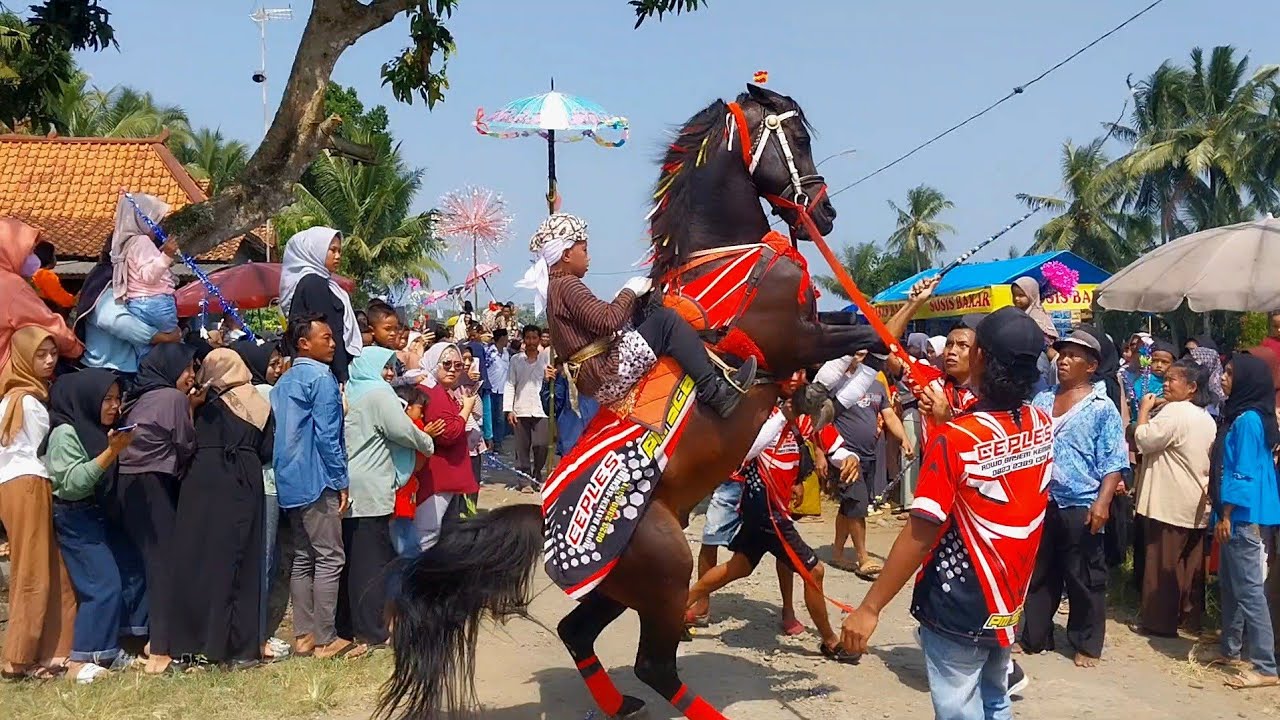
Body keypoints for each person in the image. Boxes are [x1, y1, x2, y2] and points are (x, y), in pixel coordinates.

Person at [841, 307, 1053, 720]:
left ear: (980, 359)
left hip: (962, 598)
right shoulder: (1040, 423)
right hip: (1009, 596)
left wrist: (869, 608)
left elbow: (921, 532)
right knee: (995, 697)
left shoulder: (957, 439)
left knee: (958, 707)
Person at [519, 213, 756, 419]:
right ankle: (715, 392)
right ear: (567, 254)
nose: (589, 257)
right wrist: (629, 291)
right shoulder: (567, 285)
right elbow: (607, 321)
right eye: (584, 249)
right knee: (666, 322)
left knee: (646, 309)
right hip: (605, 372)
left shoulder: (556, 287)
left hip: (593, 376)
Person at [688, 400, 858, 662]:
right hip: (765, 510)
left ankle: (675, 608)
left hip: (769, 511)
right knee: (814, 571)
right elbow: (744, 452)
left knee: (739, 567)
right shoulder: (763, 418)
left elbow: (833, 444)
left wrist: (849, 458)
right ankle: (831, 641)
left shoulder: (802, 418)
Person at [1023, 330, 1129, 668]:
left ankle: (1086, 642)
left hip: (1081, 502)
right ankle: (1035, 635)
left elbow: (1113, 461)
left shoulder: (1102, 408)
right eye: (1062, 354)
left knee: (1084, 574)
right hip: (1042, 500)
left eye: (1073, 356)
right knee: (1040, 572)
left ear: (1092, 366)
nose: (1064, 360)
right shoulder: (1042, 401)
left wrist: (1102, 502)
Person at [168, 349, 273, 669]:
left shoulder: (202, 401)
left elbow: (181, 437)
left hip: (203, 480)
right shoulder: (259, 401)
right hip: (245, 479)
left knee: (197, 560)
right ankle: (241, 650)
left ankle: (193, 644)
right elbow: (267, 449)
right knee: (241, 561)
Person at [45, 369, 147, 682]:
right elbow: (73, 484)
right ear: (87, 399)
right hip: (75, 516)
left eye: (118, 399)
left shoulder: (96, 428)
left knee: (131, 570)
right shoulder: (65, 434)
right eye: (107, 399)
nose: (115, 406)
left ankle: (113, 648)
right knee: (102, 584)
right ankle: (82, 660)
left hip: (99, 514)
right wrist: (111, 452)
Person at [338, 347, 438, 653]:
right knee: (373, 564)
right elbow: (403, 430)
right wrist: (428, 442)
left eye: (392, 367)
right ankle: (372, 631)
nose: (390, 373)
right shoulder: (379, 395)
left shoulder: (352, 391)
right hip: (372, 489)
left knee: (353, 561)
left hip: (352, 485)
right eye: (385, 367)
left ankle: (348, 626)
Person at [271, 313, 352, 659]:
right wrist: (341, 480)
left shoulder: (284, 381)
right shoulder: (321, 378)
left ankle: (304, 635)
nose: (333, 344)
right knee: (330, 557)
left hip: (289, 478)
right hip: (317, 478)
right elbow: (328, 436)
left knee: (303, 558)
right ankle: (325, 638)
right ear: (304, 343)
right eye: (326, 338)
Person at [116, 342, 200, 674]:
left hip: (129, 485)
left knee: (153, 564)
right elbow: (185, 444)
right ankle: (161, 652)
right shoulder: (173, 399)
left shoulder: (140, 398)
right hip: (153, 484)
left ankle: (155, 640)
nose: (192, 377)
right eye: (188, 369)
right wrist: (192, 410)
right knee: (164, 565)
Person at [0, 327, 77, 680]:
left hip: (17, 484)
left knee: (48, 567)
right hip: (28, 482)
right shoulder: (27, 399)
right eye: (40, 355)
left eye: (52, 354)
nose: (48, 361)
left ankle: (50, 651)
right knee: (34, 570)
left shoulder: (13, 396)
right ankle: (18, 657)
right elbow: (33, 451)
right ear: (22, 357)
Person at [1131, 358, 1216, 638]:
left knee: (1162, 563)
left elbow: (1144, 439)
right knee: (1189, 565)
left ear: (1191, 387)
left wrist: (1143, 411)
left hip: (1169, 500)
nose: (1165, 384)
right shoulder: (1205, 416)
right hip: (1195, 499)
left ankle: (1158, 622)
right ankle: (1189, 619)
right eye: (1165, 379)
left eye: (1172, 380)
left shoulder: (1174, 412)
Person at [1211, 353, 1280, 689]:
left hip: (1240, 515)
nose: (1223, 377)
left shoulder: (1248, 421)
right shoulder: (1248, 416)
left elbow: (1243, 472)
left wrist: (1226, 512)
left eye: (1229, 373)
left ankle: (1266, 665)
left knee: (1250, 590)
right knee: (1232, 583)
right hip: (1242, 513)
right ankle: (1231, 648)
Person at [827, 350, 913, 579]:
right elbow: (821, 419)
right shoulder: (834, 384)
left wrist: (904, 438)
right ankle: (863, 556)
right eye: (853, 351)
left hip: (869, 454)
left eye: (861, 352)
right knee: (857, 503)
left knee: (849, 505)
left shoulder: (876, 384)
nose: (858, 355)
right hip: (844, 455)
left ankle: (837, 552)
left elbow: (889, 415)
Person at [232, 339, 291, 661]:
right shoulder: (266, 394)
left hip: (259, 484)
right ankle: (258, 635)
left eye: (279, 361)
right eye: (271, 363)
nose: (278, 367)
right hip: (268, 485)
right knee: (265, 561)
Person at [74, 245, 181, 380]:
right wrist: (162, 337)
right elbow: (117, 321)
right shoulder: (106, 285)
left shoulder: (121, 284)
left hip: (119, 368)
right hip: (109, 369)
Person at [412, 343, 476, 551]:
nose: (452, 369)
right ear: (433, 363)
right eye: (446, 363)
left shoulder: (441, 390)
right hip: (436, 474)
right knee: (427, 532)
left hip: (442, 474)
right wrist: (465, 410)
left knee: (437, 532)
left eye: (458, 365)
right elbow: (448, 433)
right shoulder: (431, 391)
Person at [279, 228, 362, 383]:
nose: (337, 256)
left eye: (339, 251)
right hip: (326, 373)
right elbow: (327, 332)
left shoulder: (321, 282)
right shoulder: (314, 284)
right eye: (332, 250)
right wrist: (342, 378)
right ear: (314, 251)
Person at [0, 218, 83, 370]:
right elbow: (49, 324)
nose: (32, 256)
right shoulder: (12, 286)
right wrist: (76, 348)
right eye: (29, 251)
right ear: (11, 250)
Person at [109, 193, 180, 334]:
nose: (158, 227)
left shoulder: (126, 243)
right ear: (142, 220)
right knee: (173, 343)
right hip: (156, 303)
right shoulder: (142, 241)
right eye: (155, 221)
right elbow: (149, 276)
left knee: (147, 350)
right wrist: (166, 256)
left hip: (136, 304)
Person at [504, 325, 553, 492]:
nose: (531, 342)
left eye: (534, 338)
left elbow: (551, 385)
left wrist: (549, 379)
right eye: (528, 338)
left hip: (541, 410)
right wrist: (509, 409)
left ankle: (537, 473)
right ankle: (524, 480)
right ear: (524, 340)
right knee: (521, 448)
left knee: (541, 445)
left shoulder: (547, 360)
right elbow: (510, 384)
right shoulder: (516, 360)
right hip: (520, 409)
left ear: (539, 339)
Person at [391, 385, 432, 557]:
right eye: (420, 409)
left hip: (402, 497)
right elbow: (419, 463)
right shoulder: (414, 426)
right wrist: (427, 437)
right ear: (406, 407)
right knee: (407, 549)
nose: (422, 415)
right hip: (401, 500)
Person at [30, 241, 74, 314]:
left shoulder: (29, 274)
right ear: (49, 256)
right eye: (54, 254)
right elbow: (61, 298)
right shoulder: (45, 275)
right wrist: (75, 301)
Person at [486, 328, 511, 450]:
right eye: (506, 337)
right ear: (501, 338)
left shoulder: (507, 353)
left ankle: (498, 443)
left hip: (502, 390)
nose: (507, 340)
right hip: (490, 389)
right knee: (490, 417)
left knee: (500, 418)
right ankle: (488, 441)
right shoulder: (489, 352)